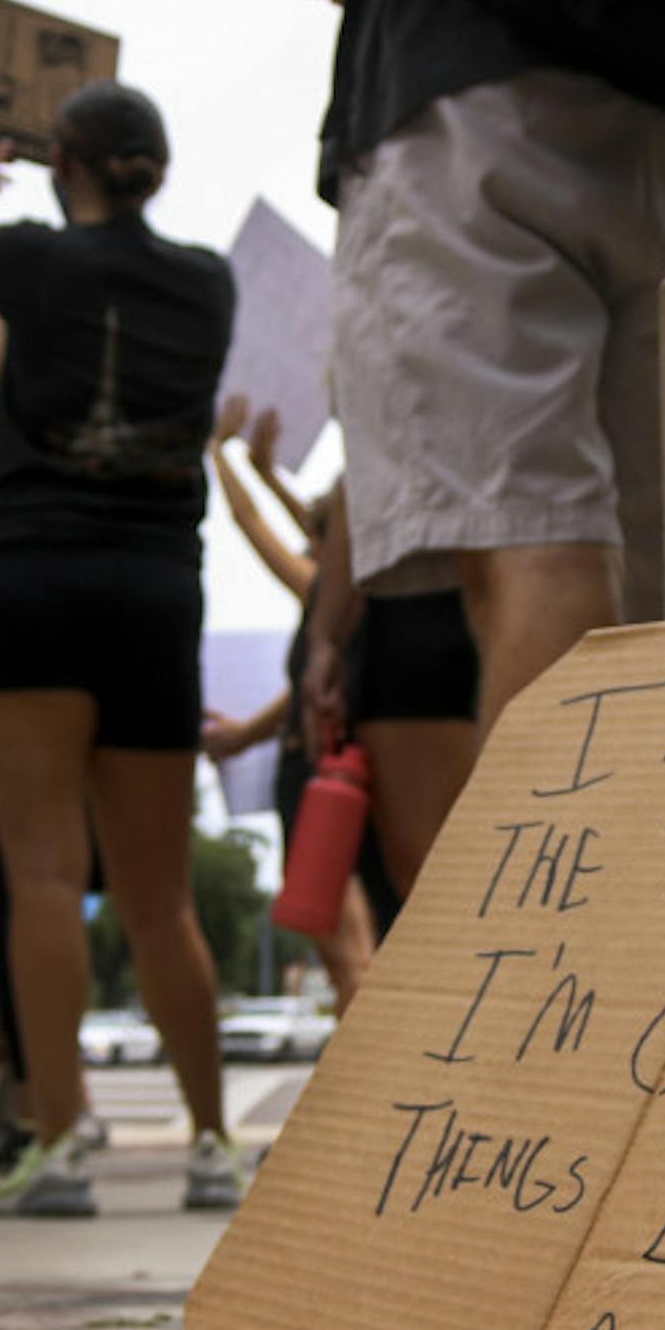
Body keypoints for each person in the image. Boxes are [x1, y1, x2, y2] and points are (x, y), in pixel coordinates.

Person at [238, 0, 665, 894]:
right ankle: (652, 921)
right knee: (653, 575)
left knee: (534, 541)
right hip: (652, 67)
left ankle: (547, 954)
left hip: (456, 74)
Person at [0, 81, 244, 1216]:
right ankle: (210, 1143)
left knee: (42, 873)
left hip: (24, 580)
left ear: (63, 166)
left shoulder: (26, 258)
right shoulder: (208, 281)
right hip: (154, 589)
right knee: (160, 899)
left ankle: (58, 1144)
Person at [198, 399, 384, 1007]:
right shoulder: (356, 601)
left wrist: (217, 451)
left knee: (350, 958)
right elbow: (314, 518)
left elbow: (250, 519)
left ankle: (365, 1058)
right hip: (342, 771)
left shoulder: (329, 594)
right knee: (358, 949)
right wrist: (264, 468)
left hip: (318, 779)